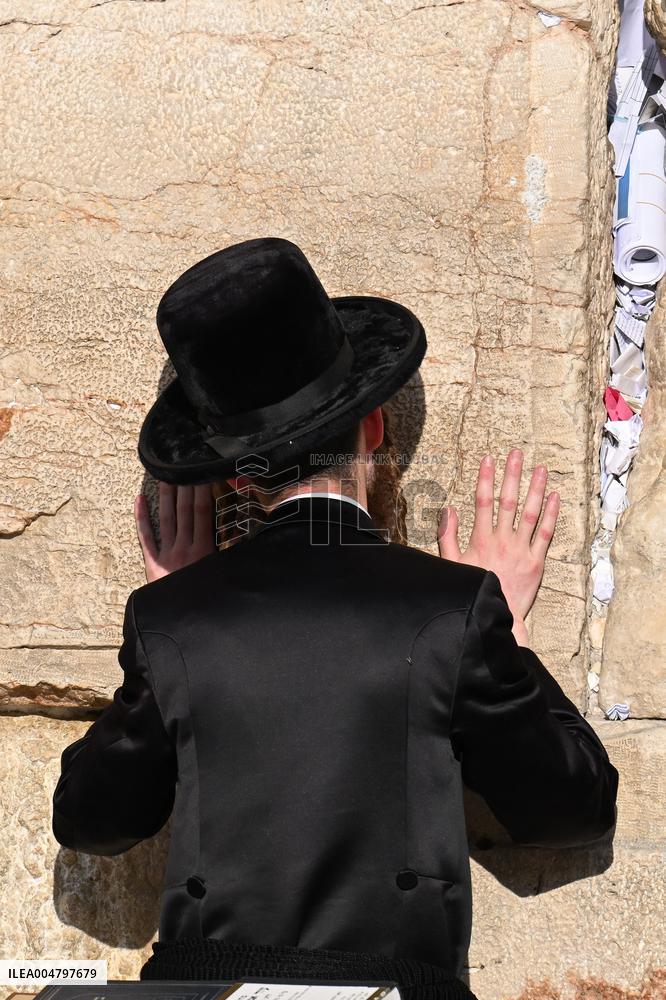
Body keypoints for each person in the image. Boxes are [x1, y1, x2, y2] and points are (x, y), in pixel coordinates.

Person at [51, 237, 619, 998]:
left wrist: (178, 612)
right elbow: (572, 809)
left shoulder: (172, 618)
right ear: (374, 428)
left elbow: (90, 822)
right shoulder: (451, 611)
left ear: (236, 477)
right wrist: (504, 630)